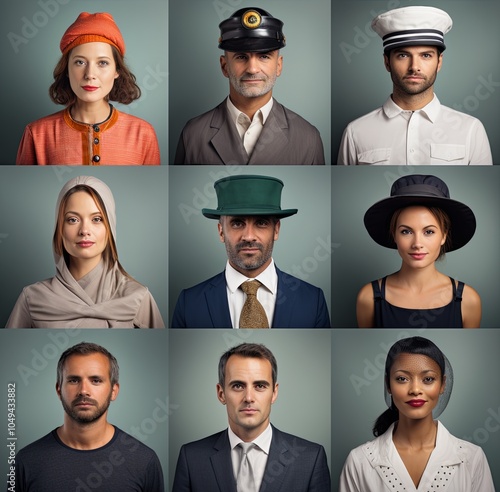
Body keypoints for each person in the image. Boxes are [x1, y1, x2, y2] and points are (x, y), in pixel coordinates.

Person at [339, 336, 497, 492]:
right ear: (388, 385)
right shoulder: (359, 461)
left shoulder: (472, 457)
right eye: (402, 379)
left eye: (428, 379)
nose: (415, 389)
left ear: (442, 384)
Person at [172, 342, 331, 492]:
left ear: (274, 393)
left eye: (260, 386)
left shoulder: (311, 458)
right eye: (237, 386)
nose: (248, 398)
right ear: (221, 394)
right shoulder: (191, 458)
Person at [8, 342, 165, 492]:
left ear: (114, 391)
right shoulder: (25, 461)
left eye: (96, 380)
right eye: (74, 380)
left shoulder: (144, 461)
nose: (83, 391)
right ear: (58, 390)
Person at [337, 6, 492, 165]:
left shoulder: (471, 130)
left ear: (439, 62)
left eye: (426, 55)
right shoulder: (356, 132)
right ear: (387, 62)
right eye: (403, 55)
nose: (414, 66)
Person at [171, 174, 330, 328]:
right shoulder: (189, 303)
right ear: (221, 231)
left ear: (276, 230)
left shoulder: (312, 300)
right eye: (237, 223)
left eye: (261, 223)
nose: (248, 236)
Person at [6, 175, 165, 328]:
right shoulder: (32, 298)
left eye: (97, 219)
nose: (84, 231)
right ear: (59, 228)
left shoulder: (138, 297)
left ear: (110, 227)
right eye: (73, 220)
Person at [174, 7, 325, 165]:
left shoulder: (308, 138)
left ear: (279, 66)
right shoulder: (192, 134)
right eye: (241, 57)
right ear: (224, 66)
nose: (252, 69)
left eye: (264, 56)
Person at [16, 12, 160, 165]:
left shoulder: (143, 133)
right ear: (66, 69)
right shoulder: (37, 134)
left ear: (117, 70)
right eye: (80, 62)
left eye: (102, 63)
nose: (90, 74)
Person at [356, 174, 481, 328]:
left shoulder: (469, 299)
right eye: (406, 232)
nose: (417, 244)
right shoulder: (367, 297)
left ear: (444, 235)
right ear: (393, 234)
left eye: (428, 232)